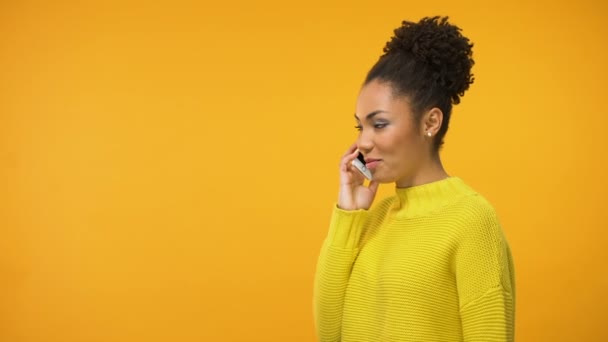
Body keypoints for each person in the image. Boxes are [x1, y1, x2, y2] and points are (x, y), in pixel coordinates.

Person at [313, 16, 515, 342]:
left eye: (378, 124)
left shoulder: (472, 221)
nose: (363, 142)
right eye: (360, 127)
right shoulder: (374, 218)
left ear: (430, 122)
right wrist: (347, 215)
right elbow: (328, 333)